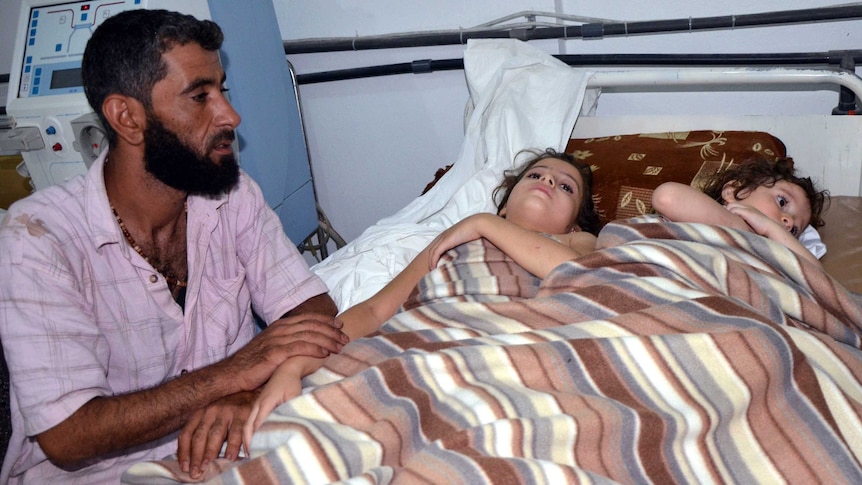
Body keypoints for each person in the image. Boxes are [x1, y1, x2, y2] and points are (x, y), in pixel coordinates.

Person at [0, 9, 349, 484]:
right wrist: (234, 373)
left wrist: (244, 393)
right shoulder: (38, 239)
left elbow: (312, 310)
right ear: (127, 117)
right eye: (200, 95)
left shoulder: (231, 196)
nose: (230, 114)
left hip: (223, 449)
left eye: (222, 89)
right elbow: (68, 434)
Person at [242, 148, 601, 447]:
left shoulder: (576, 243)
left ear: (574, 225)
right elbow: (373, 310)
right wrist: (295, 365)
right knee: (308, 428)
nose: (548, 182)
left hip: (504, 353)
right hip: (420, 346)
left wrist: (483, 223)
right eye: (535, 176)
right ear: (505, 205)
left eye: (566, 187)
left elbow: (579, 274)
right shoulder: (455, 241)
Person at [651, 157, 829, 266]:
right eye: (782, 201)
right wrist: (741, 228)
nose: (788, 222)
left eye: (795, 230)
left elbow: (817, 279)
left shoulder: (777, 255)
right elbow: (666, 197)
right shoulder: (711, 212)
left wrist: (770, 228)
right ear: (734, 191)